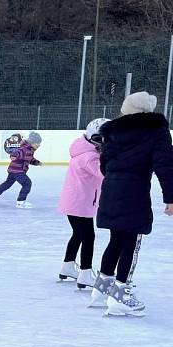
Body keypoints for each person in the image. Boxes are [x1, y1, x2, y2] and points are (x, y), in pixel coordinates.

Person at [89, 91, 173, 316]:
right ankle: (120, 296)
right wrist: (171, 197)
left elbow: (104, 165)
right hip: (134, 191)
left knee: (116, 239)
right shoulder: (156, 131)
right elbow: (164, 164)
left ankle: (101, 290)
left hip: (111, 190)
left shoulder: (113, 131)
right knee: (131, 243)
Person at [57, 119, 107, 289]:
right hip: (81, 203)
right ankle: (85, 273)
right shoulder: (90, 156)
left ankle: (68, 266)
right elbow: (103, 173)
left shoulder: (83, 149)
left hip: (75, 201)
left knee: (78, 234)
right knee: (88, 237)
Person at [0, 131, 42, 208]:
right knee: (27, 183)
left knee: (7, 184)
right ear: (32, 142)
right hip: (18, 171)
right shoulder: (24, 149)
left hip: (13, 170)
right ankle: (21, 202)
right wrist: (13, 155)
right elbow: (16, 153)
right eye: (37, 143)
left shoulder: (29, 150)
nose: (39, 145)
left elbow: (29, 159)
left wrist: (37, 163)